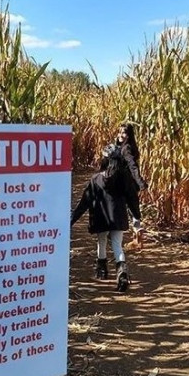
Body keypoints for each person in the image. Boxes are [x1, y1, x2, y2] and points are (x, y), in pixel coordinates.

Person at [72, 122, 142, 293]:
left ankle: (102, 270)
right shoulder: (123, 177)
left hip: (101, 217)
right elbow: (132, 198)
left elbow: (84, 203)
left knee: (102, 241)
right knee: (117, 245)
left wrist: (71, 220)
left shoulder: (96, 179)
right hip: (117, 217)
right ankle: (122, 273)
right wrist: (136, 217)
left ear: (104, 160)